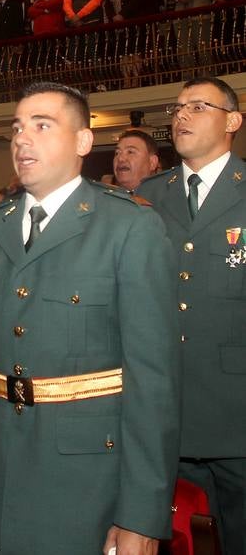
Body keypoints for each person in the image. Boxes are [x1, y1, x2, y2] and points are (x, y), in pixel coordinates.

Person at [0, 81, 180, 555]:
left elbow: (153, 384)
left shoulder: (130, 227)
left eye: (42, 125)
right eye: (16, 128)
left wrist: (140, 514)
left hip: (84, 487)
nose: (21, 139)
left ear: (82, 142)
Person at [139, 76, 246, 555]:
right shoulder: (146, 197)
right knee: (176, 540)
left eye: (198, 106)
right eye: (177, 107)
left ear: (233, 121)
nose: (180, 115)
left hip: (236, 412)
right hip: (164, 409)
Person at [109, 0, 144, 88]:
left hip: (132, 22)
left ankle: (135, 78)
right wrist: (114, 16)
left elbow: (136, 1)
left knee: (134, 51)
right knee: (123, 53)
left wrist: (122, 14)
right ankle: (126, 79)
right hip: (119, 26)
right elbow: (108, 4)